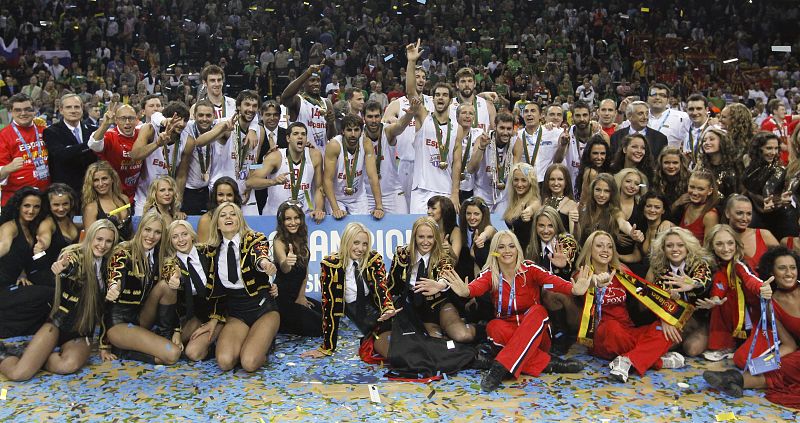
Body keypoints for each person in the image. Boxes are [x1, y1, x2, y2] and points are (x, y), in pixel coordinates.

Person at [430, 230, 592, 392]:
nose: (507, 251)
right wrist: (466, 292)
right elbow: (475, 287)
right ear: (495, 251)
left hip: (536, 333)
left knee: (538, 311)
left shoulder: (530, 269)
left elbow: (553, 281)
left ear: (517, 250)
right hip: (507, 333)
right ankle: (551, 363)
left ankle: (499, 367)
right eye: (501, 247)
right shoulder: (490, 274)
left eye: (511, 246)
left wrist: (574, 289)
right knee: (493, 326)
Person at [0, 220, 118, 381]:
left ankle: (37, 358)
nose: (102, 245)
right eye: (99, 239)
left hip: (81, 330)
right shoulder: (74, 253)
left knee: (68, 366)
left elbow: (107, 309)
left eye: (108, 241)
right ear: (90, 237)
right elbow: (71, 266)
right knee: (19, 374)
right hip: (57, 323)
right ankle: (4, 354)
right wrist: (64, 268)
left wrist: (105, 345)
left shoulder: (111, 265)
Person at [576, 231, 689, 383]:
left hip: (627, 331)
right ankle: (657, 360)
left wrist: (663, 317)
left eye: (609, 247)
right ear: (590, 249)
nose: (605, 250)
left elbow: (645, 294)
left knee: (665, 329)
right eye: (599, 246)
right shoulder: (582, 273)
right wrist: (595, 280)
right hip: (602, 335)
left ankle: (626, 361)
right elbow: (580, 285)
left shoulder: (621, 271)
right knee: (612, 327)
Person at [703, 246, 800, 408]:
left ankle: (734, 379)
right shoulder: (772, 304)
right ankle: (734, 380)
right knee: (785, 364)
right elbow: (789, 344)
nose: (789, 273)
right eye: (782, 268)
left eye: (792, 268)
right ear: (772, 273)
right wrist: (763, 363)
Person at [301, 222, 398, 358]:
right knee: (393, 354)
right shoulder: (331, 265)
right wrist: (327, 347)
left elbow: (381, 287)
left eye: (365, 244)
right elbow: (329, 307)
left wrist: (388, 308)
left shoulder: (373, 260)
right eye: (356, 243)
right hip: (366, 322)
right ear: (346, 241)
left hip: (383, 313)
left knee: (408, 337)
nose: (361, 248)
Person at [203, 202, 280, 372]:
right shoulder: (212, 250)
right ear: (217, 223)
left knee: (249, 363)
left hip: (263, 309)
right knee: (224, 362)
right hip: (237, 313)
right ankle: (248, 339)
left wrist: (265, 264)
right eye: (223, 215)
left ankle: (265, 343)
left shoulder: (254, 238)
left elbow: (259, 254)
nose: (228, 217)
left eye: (233, 214)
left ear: (240, 219)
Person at [102, 210, 182, 364]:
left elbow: (171, 269)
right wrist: (114, 286)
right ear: (140, 229)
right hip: (120, 322)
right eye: (147, 230)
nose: (151, 236)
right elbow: (116, 272)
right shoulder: (123, 251)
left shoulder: (161, 254)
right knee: (172, 355)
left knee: (167, 286)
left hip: (141, 318)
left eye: (157, 232)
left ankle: (165, 336)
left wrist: (175, 278)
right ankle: (124, 350)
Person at [388, 216, 478, 343]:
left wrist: (440, 285)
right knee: (435, 343)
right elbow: (391, 285)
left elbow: (446, 273)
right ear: (414, 237)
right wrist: (387, 307)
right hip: (414, 308)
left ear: (435, 237)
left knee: (463, 336)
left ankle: (479, 329)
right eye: (421, 237)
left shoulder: (442, 254)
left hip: (439, 304)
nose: (426, 242)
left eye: (430, 237)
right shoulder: (402, 254)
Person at [405, 40, 467, 212]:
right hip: (421, 190)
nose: (440, 98)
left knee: (442, 238)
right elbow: (411, 92)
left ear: (450, 99)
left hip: (445, 190)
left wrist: (455, 193)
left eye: (445, 95)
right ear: (432, 98)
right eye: (437, 95)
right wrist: (411, 62)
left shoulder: (457, 128)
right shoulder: (423, 117)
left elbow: (456, 163)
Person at [698, 224, 773, 361]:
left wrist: (762, 288)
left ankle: (734, 345)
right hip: (732, 316)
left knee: (743, 358)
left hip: (754, 316)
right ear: (711, 246)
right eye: (719, 244)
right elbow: (719, 286)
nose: (726, 249)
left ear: (736, 244)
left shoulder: (740, 263)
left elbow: (750, 279)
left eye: (730, 243)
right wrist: (714, 300)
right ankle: (727, 346)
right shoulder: (714, 265)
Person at [644, 227, 714, 355]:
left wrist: (692, 284)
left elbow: (703, 280)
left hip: (699, 318)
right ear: (663, 250)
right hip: (675, 317)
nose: (675, 249)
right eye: (669, 246)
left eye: (680, 245)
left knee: (691, 350)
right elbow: (656, 298)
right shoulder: (660, 268)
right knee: (665, 344)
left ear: (687, 247)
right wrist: (664, 318)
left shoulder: (699, 264)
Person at [162, 220, 220, 361]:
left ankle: (220, 337)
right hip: (194, 315)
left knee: (193, 353)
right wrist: (174, 280)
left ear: (192, 236)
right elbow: (169, 274)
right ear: (170, 241)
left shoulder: (208, 252)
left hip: (218, 311)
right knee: (182, 350)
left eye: (184, 234)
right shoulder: (170, 262)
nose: (181, 240)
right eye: (175, 237)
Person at [0, 187, 53, 337]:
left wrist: (22, 273)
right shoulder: (10, 226)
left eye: (36, 206)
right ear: (18, 206)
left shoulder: (30, 228)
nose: (31, 210)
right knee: (48, 294)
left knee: (49, 294)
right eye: (27, 206)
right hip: (3, 287)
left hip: (13, 284)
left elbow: (19, 256)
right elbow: (4, 246)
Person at [130, 101, 191, 216]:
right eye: (178, 119)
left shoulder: (188, 141)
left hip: (167, 199)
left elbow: (181, 176)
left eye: (185, 120)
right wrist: (157, 144)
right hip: (145, 197)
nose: (182, 124)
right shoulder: (150, 129)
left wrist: (177, 206)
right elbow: (134, 155)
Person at [272, 202, 322, 336]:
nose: (293, 222)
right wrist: (287, 262)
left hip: (297, 296)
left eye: (296, 218)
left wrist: (301, 297)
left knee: (328, 316)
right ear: (282, 221)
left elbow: (304, 273)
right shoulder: (278, 241)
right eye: (288, 219)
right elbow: (284, 268)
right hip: (282, 300)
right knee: (319, 327)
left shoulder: (301, 238)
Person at [322, 114, 384, 219]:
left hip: (358, 196)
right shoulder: (334, 146)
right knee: (339, 224)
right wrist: (336, 209)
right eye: (349, 130)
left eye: (356, 130)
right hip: (337, 197)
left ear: (361, 131)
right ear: (342, 131)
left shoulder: (366, 143)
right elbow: (327, 180)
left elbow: (373, 177)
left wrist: (379, 206)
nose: (353, 134)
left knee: (363, 227)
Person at [42, 94, 97, 205]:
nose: (73, 111)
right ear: (61, 110)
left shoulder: (92, 130)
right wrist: (90, 144)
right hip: (65, 193)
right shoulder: (51, 132)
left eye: (77, 107)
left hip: (91, 190)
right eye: (68, 107)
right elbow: (62, 155)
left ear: (82, 109)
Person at [362, 100, 415, 214]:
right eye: (370, 117)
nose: (374, 121)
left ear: (381, 116)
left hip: (392, 192)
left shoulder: (387, 131)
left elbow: (400, 126)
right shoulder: (358, 134)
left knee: (403, 226)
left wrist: (409, 115)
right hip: (367, 195)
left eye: (377, 116)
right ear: (363, 118)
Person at [744, 132, 797, 240]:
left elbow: (768, 189)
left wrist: (768, 200)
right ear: (758, 149)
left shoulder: (779, 169)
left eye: (776, 148)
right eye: (769, 148)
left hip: (781, 218)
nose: (773, 152)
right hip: (759, 213)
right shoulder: (750, 165)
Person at [0, 93, 50, 205]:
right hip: (16, 199)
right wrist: (8, 168)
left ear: (34, 110)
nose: (23, 113)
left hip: (45, 196)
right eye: (18, 110)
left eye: (27, 109)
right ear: (11, 112)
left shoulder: (44, 129)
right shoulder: (3, 135)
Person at [87, 103, 142, 204]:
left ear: (137, 119)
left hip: (138, 194)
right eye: (123, 118)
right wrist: (105, 124)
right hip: (113, 194)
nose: (127, 122)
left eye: (131, 118)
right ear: (116, 120)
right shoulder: (110, 135)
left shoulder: (142, 135)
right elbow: (93, 144)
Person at [27, 184, 80, 286]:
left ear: (71, 203)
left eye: (65, 204)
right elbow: (44, 239)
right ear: (49, 205)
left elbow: (85, 224)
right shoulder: (47, 223)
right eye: (56, 205)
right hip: (48, 275)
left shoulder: (72, 218)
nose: (61, 209)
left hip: (68, 270)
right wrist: (41, 248)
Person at [577, 173, 644, 248]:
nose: (601, 195)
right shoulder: (584, 210)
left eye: (606, 191)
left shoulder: (615, 212)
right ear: (592, 190)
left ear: (612, 193)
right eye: (598, 190)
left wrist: (631, 232)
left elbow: (623, 223)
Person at [281, 64, 336, 150]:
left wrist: (331, 123)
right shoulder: (298, 100)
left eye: (318, 80)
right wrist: (307, 73)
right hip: (302, 156)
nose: (316, 84)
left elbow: (332, 137)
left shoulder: (327, 102)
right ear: (303, 83)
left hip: (322, 156)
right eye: (312, 80)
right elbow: (285, 97)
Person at [511, 102, 564, 184]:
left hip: (546, 182)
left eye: (533, 111)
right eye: (526, 111)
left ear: (540, 115)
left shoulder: (553, 132)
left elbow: (570, 133)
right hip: (526, 182)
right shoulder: (517, 136)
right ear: (523, 115)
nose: (529, 114)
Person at [81, 161, 134, 241]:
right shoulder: (91, 208)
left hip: (128, 248)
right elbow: (90, 239)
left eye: (104, 178)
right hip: (105, 251)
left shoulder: (124, 199)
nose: (101, 184)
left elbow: (130, 229)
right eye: (96, 180)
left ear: (112, 179)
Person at [725, 195, 780, 270]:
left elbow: (784, 260)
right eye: (739, 213)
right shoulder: (718, 237)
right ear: (727, 213)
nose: (745, 218)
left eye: (749, 214)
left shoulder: (764, 235)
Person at [502, 163, 542, 252]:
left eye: (524, 180)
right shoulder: (513, 201)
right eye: (516, 180)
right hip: (512, 252)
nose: (519, 184)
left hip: (526, 254)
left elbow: (535, 205)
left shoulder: (533, 201)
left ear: (531, 182)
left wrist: (529, 211)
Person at [673, 169, 720, 243]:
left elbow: (707, 249)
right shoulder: (685, 205)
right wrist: (676, 203)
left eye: (700, 189)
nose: (695, 192)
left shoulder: (710, 216)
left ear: (710, 191)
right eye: (692, 187)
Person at [698, 127, 743, 199]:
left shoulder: (735, 166)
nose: (706, 143)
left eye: (711, 139)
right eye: (704, 140)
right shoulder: (702, 167)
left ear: (722, 142)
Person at [197, 177, 242, 243]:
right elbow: (204, 250)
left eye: (229, 195)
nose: (225, 199)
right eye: (220, 195)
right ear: (215, 196)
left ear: (235, 197)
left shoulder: (238, 216)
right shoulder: (206, 220)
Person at [541, 164, 580, 235]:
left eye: (560, 179)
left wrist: (576, 223)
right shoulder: (541, 202)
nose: (556, 183)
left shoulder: (572, 205)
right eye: (552, 179)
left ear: (566, 182)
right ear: (547, 181)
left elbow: (575, 237)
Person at [651, 146, 690, 213]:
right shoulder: (655, 180)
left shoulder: (689, 180)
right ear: (661, 163)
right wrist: (677, 203)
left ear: (681, 164)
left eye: (675, 163)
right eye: (666, 163)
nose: (671, 166)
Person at [575, 135, 611, 203]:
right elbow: (584, 201)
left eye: (602, 153)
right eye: (595, 153)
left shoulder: (605, 170)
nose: (599, 157)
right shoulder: (591, 173)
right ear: (588, 154)